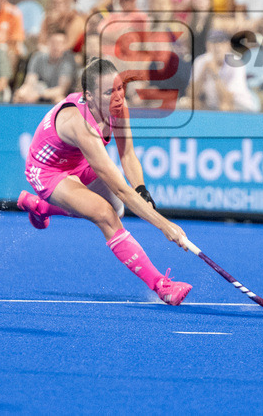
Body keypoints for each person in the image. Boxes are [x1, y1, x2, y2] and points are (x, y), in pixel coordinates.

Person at [16, 58, 192, 305]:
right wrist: (165, 225)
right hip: (48, 170)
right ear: (89, 96)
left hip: (79, 161)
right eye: (110, 92)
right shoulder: (80, 125)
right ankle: (162, 286)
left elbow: (127, 154)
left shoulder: (118, 106)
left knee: (117, 210)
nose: (118, 96)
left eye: (120, 88)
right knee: (105, 214)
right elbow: (121, 189)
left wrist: (141, 190)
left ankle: (42, 207)